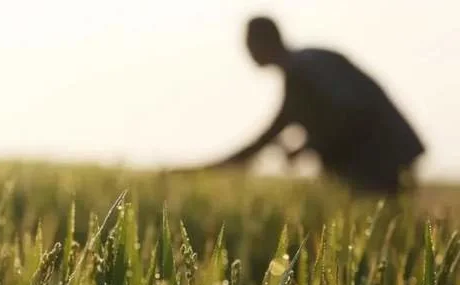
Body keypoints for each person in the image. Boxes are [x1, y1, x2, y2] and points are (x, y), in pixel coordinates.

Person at [180, 16, 426, 195]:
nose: (247, 51)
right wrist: (201, 171)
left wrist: (307, 147)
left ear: (265, 41)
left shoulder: (304, 71)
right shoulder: (302, 72)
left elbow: (350, 114)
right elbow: (264, 140)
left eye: (249, 43)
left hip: (381, 158)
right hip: (387, 153)